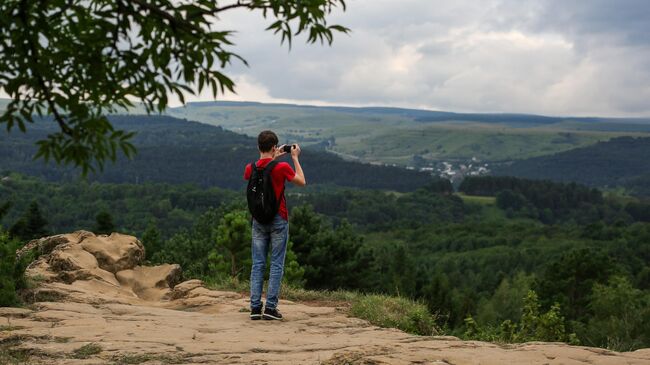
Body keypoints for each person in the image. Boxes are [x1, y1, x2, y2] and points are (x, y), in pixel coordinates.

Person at [243, 130, 306, 320]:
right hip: (279, 218)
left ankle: (255, 308)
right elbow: (302, 181)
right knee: (276, 264)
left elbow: (259, 171)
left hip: (258, 220)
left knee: (258, 264)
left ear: (258, 147)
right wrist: (294, 158)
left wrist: (270, 157)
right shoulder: (281, 167)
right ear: (274, 147)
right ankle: (270, 308)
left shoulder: (250, 168)